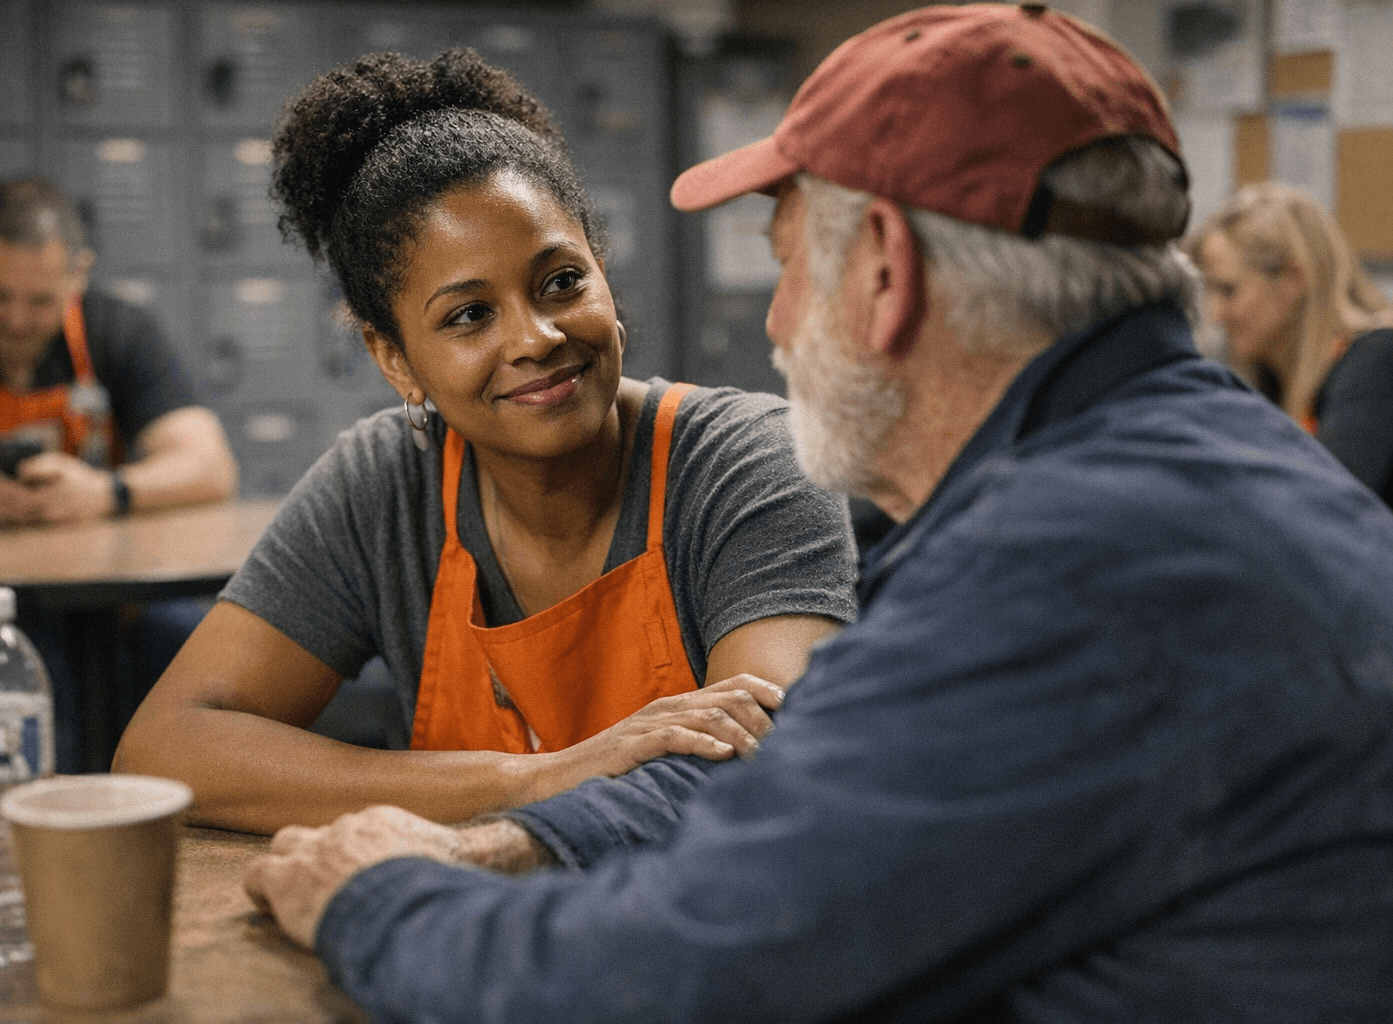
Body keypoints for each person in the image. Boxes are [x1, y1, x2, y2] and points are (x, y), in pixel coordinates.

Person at [243, 6, 1393, 1022]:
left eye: (787, 264)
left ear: (886, 274)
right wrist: (510, 837)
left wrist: (378, 894)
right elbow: (814, 776)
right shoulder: (1174, 469)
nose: (781, 326)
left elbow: (663, 980)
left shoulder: (1067, 568)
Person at [112, 50, 858, 835]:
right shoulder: (383, 487)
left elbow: (768, 767)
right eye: (468, 315)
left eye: (562, 281)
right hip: (461, 928)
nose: (535, 338)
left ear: (604, 274)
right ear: (394, 358)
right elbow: (165, 748)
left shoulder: (748, 464)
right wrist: (539, 777)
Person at [0, 177, 238, 771]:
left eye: (39, 301)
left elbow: (210, 463)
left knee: (196, 646)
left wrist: (105, 491)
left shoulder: (118, 331)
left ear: (77, 276)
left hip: (100, 599)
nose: (15, 318)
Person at [1188, 182, 1393, 501]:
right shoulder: (1270, 383)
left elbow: (1332, 506)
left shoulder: (1375, 360)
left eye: (1228, 291)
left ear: (1293, 279)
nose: (1215, 314)